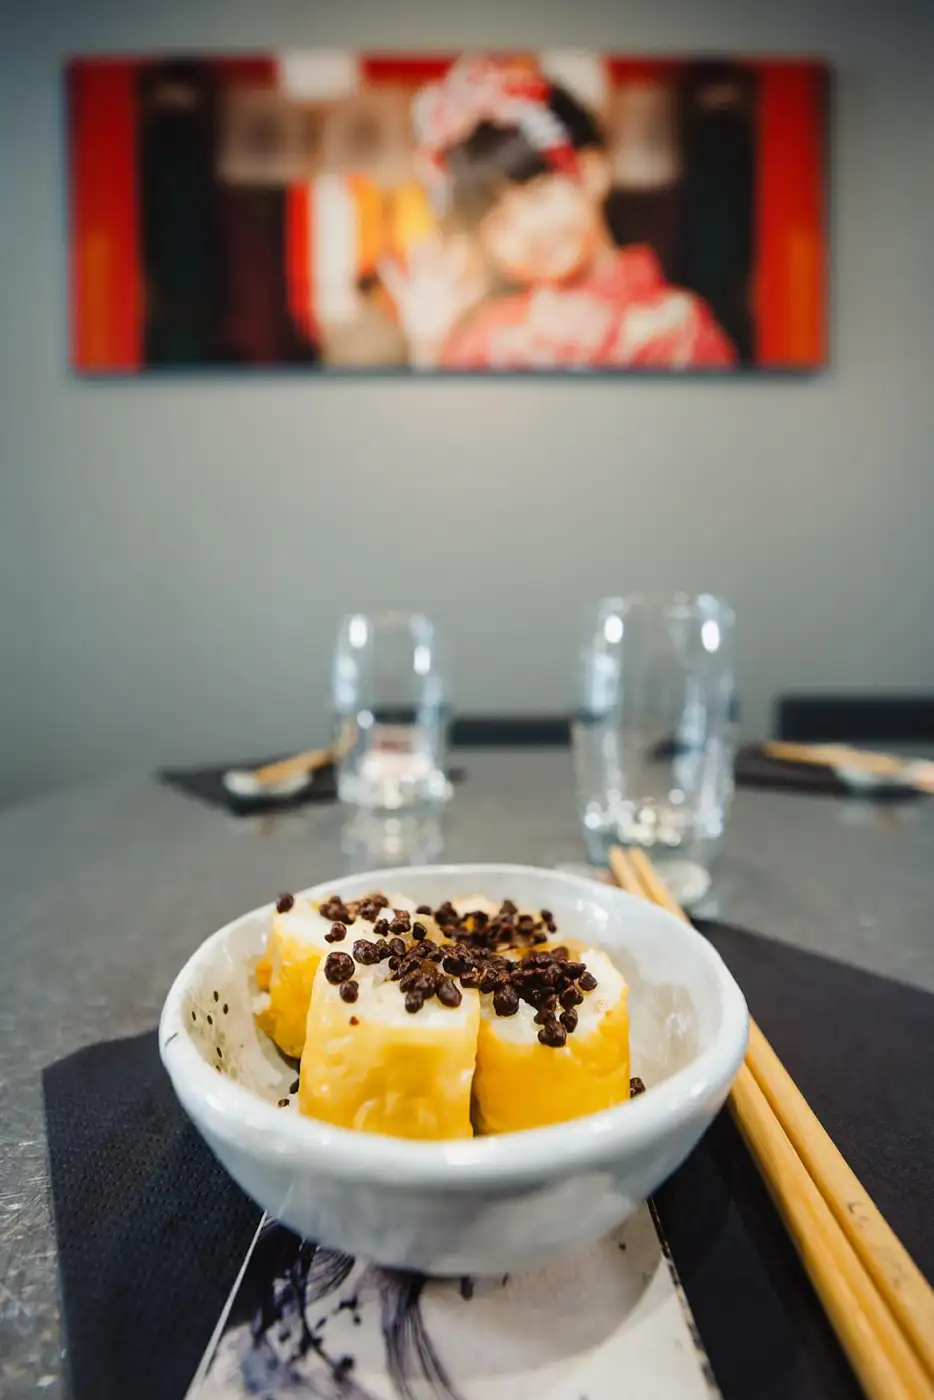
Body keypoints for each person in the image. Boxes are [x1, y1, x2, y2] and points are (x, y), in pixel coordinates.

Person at [382, 57, 736, 371]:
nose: (529, 229)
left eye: (538, 195)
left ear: (592, 173)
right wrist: (429, 346)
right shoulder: (489, 337)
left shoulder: (676, 327)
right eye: (501, 222)